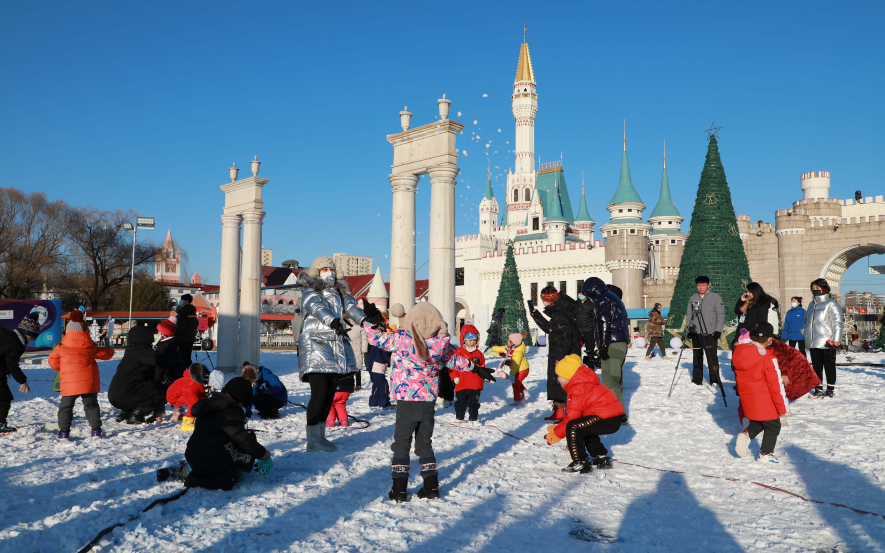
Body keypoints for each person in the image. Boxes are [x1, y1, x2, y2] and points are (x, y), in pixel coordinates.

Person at [361, 301, 494, 502]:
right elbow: (455, 359)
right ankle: (431, 488)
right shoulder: (440, 345)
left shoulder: (402, 339)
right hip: (428, 401)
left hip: (407, 400)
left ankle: (399, 490)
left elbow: (377, 338)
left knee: (401, 444)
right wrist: (477, 369)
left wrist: (372, 320)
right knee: (425, 444)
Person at [297, 256, 366, 452]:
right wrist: (333, 321)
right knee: (319, 393)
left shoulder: (338, 291)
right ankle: (312, 440)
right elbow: (317, 306)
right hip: (316, 345)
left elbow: (351, 307)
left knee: (328, 394)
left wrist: (366, 319)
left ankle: (320, 436)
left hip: (334, 347)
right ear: (316, 272)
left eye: (331, 268)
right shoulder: (310, 289)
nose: (329, 272)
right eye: (324, 268)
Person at [158, 377, 273, 489]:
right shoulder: (229, 412)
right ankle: (227, 472)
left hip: (193, 454)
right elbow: (242, 440)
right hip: (210, 462)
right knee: (244, 443)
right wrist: (261, 453)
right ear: (239, 400)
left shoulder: (211, 404)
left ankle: (187, 469)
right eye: (243, 405)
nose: (242, 408)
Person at [544, 354, 624, 473]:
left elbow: (571, 419)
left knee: (573, 426)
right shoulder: (582, 383)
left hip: (607, 418)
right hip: (611, 418)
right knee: (583, 426)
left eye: (559, 376)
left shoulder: (578, 388)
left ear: (568, 376)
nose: (558, 379)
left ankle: (579, 461)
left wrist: (556, 433)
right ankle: (600, 457)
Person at [49, 311, 115, 439]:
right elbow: (106, 355)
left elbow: (53, 362)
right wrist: (108, 347)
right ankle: (96, 431)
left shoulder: (61, 347)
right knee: (91, 406)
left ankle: (64, 432)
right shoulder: (90, 346)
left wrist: (64, 369)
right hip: (88, 382)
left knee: (66, 407)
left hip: (69, 382)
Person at [733, 323, 788, 464]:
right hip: (765, 398)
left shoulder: (740, 352)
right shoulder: (767, 358)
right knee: (773, 425)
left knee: (760, 421)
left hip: (748, 397)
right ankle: (766, 454)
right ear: (769, 339)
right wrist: (782, 408)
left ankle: (747, 434)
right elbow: (775, 385)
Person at [581, 278, 630, 424]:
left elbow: (603, 321)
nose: (589, 297)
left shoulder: (602, 298)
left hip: (612, 343)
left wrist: (602, 345)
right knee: (615, 378)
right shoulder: (612, 297)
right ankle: (616, 411)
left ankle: (617, 414)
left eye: (588, 294)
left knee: (610, 378)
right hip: (617, 342)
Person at [108, 324, 178, 424]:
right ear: (144, 336)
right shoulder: (142, 351)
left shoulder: (131, 349)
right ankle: (137, 414)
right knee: (160, 390)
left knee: (145, 387)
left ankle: (127, 412)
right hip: (124, 395)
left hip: (115, 394)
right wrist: (177, 355)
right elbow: (160, 361)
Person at [530, 285, 580, 422]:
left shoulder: (562, 312)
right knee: (556, 383)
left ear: (550, 299)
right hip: (558, 352)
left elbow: (566, 338)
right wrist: (536, 316)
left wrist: (560, 357)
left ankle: (566, 412)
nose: (543, 302)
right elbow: (551, 329)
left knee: (563, 383)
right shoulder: (558, 311)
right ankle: (558, 411)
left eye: (544, 300)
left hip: (565, 355)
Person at [803, 278, 842, 398]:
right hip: (813, 341)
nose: (814, 290)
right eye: (813, 288)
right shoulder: (811, 304)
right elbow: (806, 321)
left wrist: (836, 339)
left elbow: (837, 322)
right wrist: (804, 332)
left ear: (823, 288)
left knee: (829, 366)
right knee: (816, 367)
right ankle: (818, 389)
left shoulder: (831, 303)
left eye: (817, 287)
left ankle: (830, 389)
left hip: (827, 341)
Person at [0, 313, 38, 433]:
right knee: (4, 398)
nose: (31, 340)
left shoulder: (7, 336)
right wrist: (22, 381)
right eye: (32, 337)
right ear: (27, 334)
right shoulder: (17, 344)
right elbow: (12, 365)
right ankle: (0, 424)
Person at [685, 275, 725, 387]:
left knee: (712, 357)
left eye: (703, 285)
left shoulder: (715, 297)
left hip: (710, 332)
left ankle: (715, 380)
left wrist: (718, 330)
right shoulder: (693, 298)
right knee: (697, 356)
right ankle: (697, 379)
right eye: (699, 285)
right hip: (696, 332)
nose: (701, 287)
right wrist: (689, 329)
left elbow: (720, 315)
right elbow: (689, 315)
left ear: (708, 285)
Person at [451, 324, 486, 422]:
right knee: (461, 402)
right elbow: (452, 367)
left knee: (474, 403)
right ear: (464, 340)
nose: (472, 342)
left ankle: (473, 418)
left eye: (474, 340)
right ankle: (459, 418)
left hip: (475, 385)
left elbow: (482, 366)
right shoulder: (458, 353)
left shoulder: (479, 354)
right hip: (462, 384)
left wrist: (484, 376)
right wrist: (454, 376)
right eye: (470, 340)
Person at [166, 363, 209, 431]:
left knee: (203, 400)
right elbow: (193, 403)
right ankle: (187, 422)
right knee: (196, 403)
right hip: (175, 397)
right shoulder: (190, 385)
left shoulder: (198, 382)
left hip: (186, 393)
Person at [492, 332, 529, 405]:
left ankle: (517, 400)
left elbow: (515, 365)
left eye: (508, 340)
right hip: (520, 369)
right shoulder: (511, 347)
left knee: (515, 384)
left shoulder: (517, 352)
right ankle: (525, 392)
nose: (507, 341)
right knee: (517, 382)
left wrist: (511, 374)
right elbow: (502, 348)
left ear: (513, 342)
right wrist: (493, 349)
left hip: (522, 370)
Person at [174, 294, 199, 369]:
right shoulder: (192, 311)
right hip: (190, 338)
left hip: (182, 338)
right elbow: (196, 323)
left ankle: (181, 374)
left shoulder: (184, 311)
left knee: (180, 358)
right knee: (187, 358)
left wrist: (175, 335)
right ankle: (190, 372)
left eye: (182, 300)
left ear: (187, 301)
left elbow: (181, 325)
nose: (181, 301)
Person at [367, 337, 393, 409]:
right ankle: (383, 403)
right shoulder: (385, 342)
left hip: (372, 365)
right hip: (378, 365)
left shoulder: (378, 341)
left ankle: (374, 402)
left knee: (376, 384)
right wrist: (393, 362)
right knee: (382, 384)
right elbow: (385, 355)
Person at [573, 289, 597, 366]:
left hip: (589, 331)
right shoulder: (575, 304)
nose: (580, 295)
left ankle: (591, 367)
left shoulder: (591, 304)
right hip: (578, 331)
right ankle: (577, 367)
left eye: (582, 294)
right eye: (579, 293)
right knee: (576, 351)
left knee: (590, 351)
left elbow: (595, 317)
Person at [348, 312, 368, 391]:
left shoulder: (360, 326)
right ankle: (350, 384)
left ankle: (358, 384)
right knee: (349, 368)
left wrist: (364, 349)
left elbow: (364, 338)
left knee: (357, 367)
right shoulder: (345, 324)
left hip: (357, 348)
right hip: (348, 348)